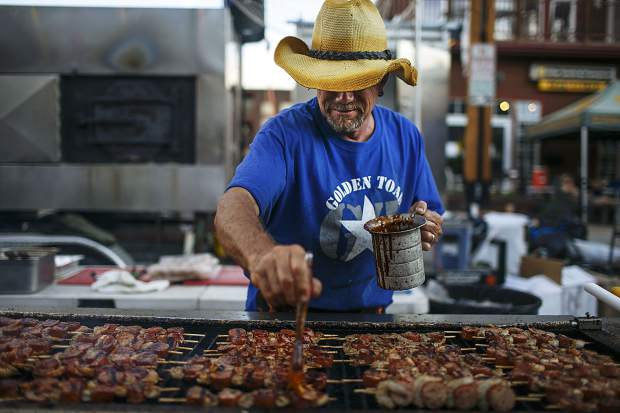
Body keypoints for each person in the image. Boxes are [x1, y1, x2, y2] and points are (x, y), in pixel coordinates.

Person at [214, 0, 444, 312]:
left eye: (358, 82)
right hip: (283, 324)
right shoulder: (284, 134)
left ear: (381, 82)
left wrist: (427, 225)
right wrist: (261, 255)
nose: (344, 97)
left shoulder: (406, 136)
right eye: (332, 81)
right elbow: (232, 208)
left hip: (370, 323)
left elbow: (428, 212)